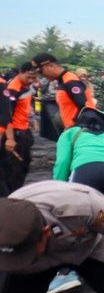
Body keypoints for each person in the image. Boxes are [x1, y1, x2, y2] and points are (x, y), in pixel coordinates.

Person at [51, 107, 104, 208]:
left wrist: (58, 191)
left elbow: (63, 162)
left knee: (78, 211)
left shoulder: (69, 133)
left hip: (88, 170)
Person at [2, 62, 40, 196]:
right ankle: (11, 198)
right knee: (13, 169)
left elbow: (27, 105)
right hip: (15, 132)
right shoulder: (13, 89)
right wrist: (10, 138)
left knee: (23, 165)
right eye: (28, 77)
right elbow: (6, 115)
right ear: (21, 73)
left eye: (33, 78)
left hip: (24, 130)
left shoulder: (27, 87)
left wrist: (33, 120)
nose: (31, 80)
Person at [31, 54, 94, 131]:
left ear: (51, 66)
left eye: (41, 71)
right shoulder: (62, 81)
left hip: (80, 129)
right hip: (73, 129)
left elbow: (84, 106)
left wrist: (75, 126)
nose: (42, 75)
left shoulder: (70, 81)